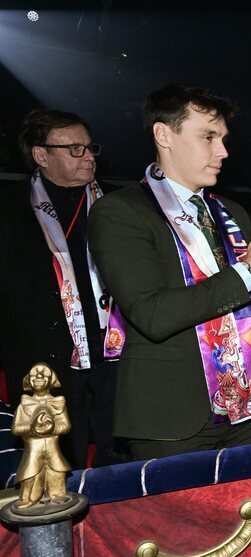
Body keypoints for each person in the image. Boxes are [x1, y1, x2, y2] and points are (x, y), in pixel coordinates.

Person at [89, 84, 251, 459]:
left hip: (244, 410)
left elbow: (247, 317)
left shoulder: (231, 215)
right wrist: (248, 270)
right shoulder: (121, 213)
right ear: (163, 134)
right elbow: (152, 315)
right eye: (208, 137)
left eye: (222, 138)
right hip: (171, 418)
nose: (223, 151)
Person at [0, 109, 123, 468]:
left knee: (121, 459)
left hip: (117, 356)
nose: (88, 157)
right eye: (75, 149)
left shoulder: (119, 204)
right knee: (52, 468)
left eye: (89, 148)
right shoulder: (8, 209)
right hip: (44, 361)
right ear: (41, 155)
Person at [12, 364, 72, 509]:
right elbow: (15, 429)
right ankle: (29, 497)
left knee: (57, 471)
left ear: (52, 379)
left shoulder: (58, 403)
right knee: (31, 475)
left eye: (44, 374)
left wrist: (52, 429)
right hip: (33, 450)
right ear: (28, 380)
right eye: (34, 374)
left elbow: (66, 426)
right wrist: (32, 428)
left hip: (53, 448)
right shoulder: (23, 405)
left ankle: (57, 494)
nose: (39, 376)